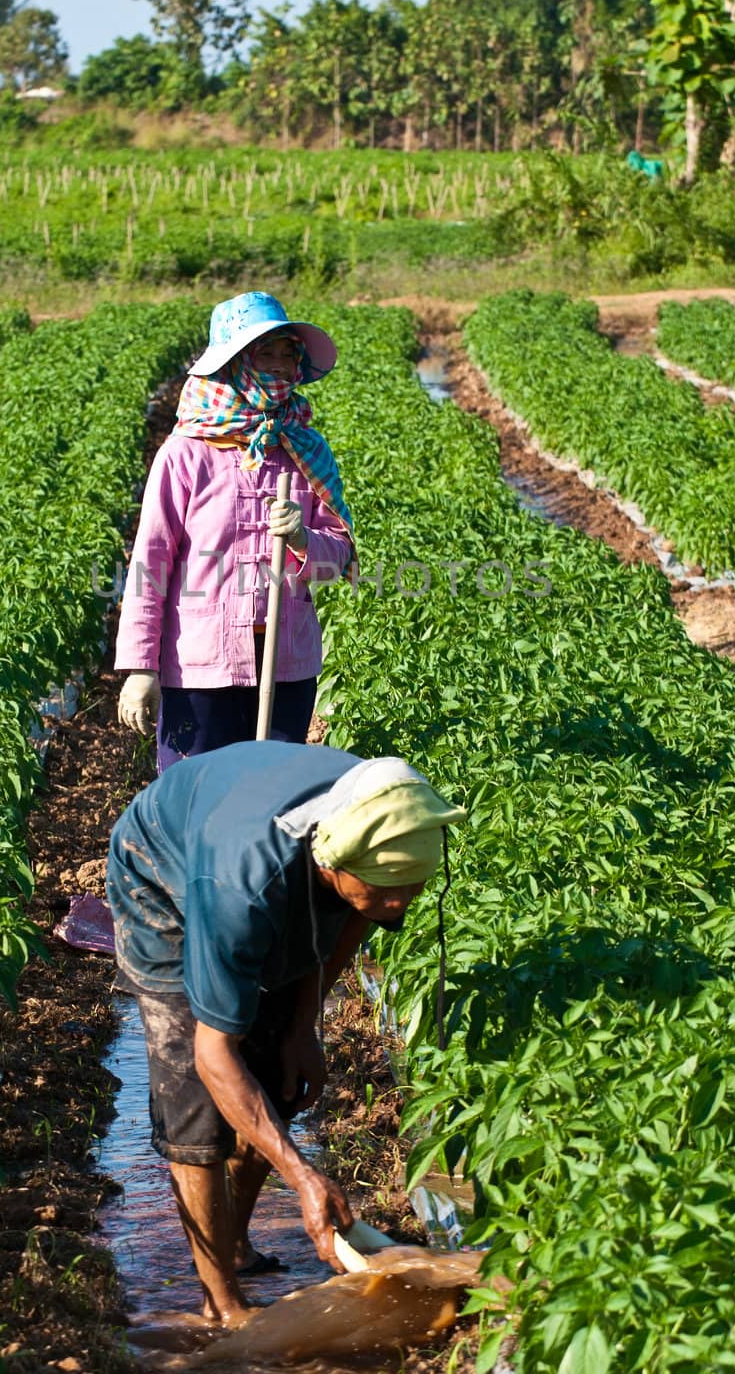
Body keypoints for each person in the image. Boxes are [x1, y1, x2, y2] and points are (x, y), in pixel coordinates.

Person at [105, 739, 467, 1325]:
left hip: (254, 859)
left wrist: (303, 1027)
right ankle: (219, 1298)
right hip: (162, 874)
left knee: (275, 1075)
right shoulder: (239, 888)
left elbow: (360, 916)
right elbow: (213, 1055)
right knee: (195, 1106)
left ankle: (238, 1243)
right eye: (384, 888)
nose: (399, 903)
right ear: (330, 865)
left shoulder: (381, 817)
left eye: (412, 887)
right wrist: (301, 1176)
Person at [116, 291, 354, 772]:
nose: (282, 365)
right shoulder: (186, 454)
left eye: (288, 353)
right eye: (265, 353)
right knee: (199, 799)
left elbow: (343, 558)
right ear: (233, 364)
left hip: (286, 664)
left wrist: (307, 540)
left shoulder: (304, 450)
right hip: (201, 667)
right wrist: (141, 668)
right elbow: (150, 564)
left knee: (273, 802)